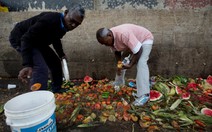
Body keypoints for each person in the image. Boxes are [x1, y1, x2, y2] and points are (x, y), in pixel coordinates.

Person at [9, 4, 85, 93]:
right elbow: (26, 38)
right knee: (40, 66)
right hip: (21, 38)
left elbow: (56, 39)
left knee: (55, 62)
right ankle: (39, 96)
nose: (73, 25)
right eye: (72, 20)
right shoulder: (49, 20)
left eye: (77, 24)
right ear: (66, 13)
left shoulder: (63, 26)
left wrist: (61, 54)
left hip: (38, 41)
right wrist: (27, 64)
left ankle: (57, 89)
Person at [96, 24, 154, 106]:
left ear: (109, 35)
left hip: (144, 39)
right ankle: (118, 83)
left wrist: (130, 64)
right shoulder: (110, 38)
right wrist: (119, 65)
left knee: (141, 63)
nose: (106, 45)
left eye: (106, 43)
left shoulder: (123, 34)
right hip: (133, 42)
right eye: (104, 44)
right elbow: (117, 52)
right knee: (122, 63)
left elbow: (139, 50)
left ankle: (144, 95)